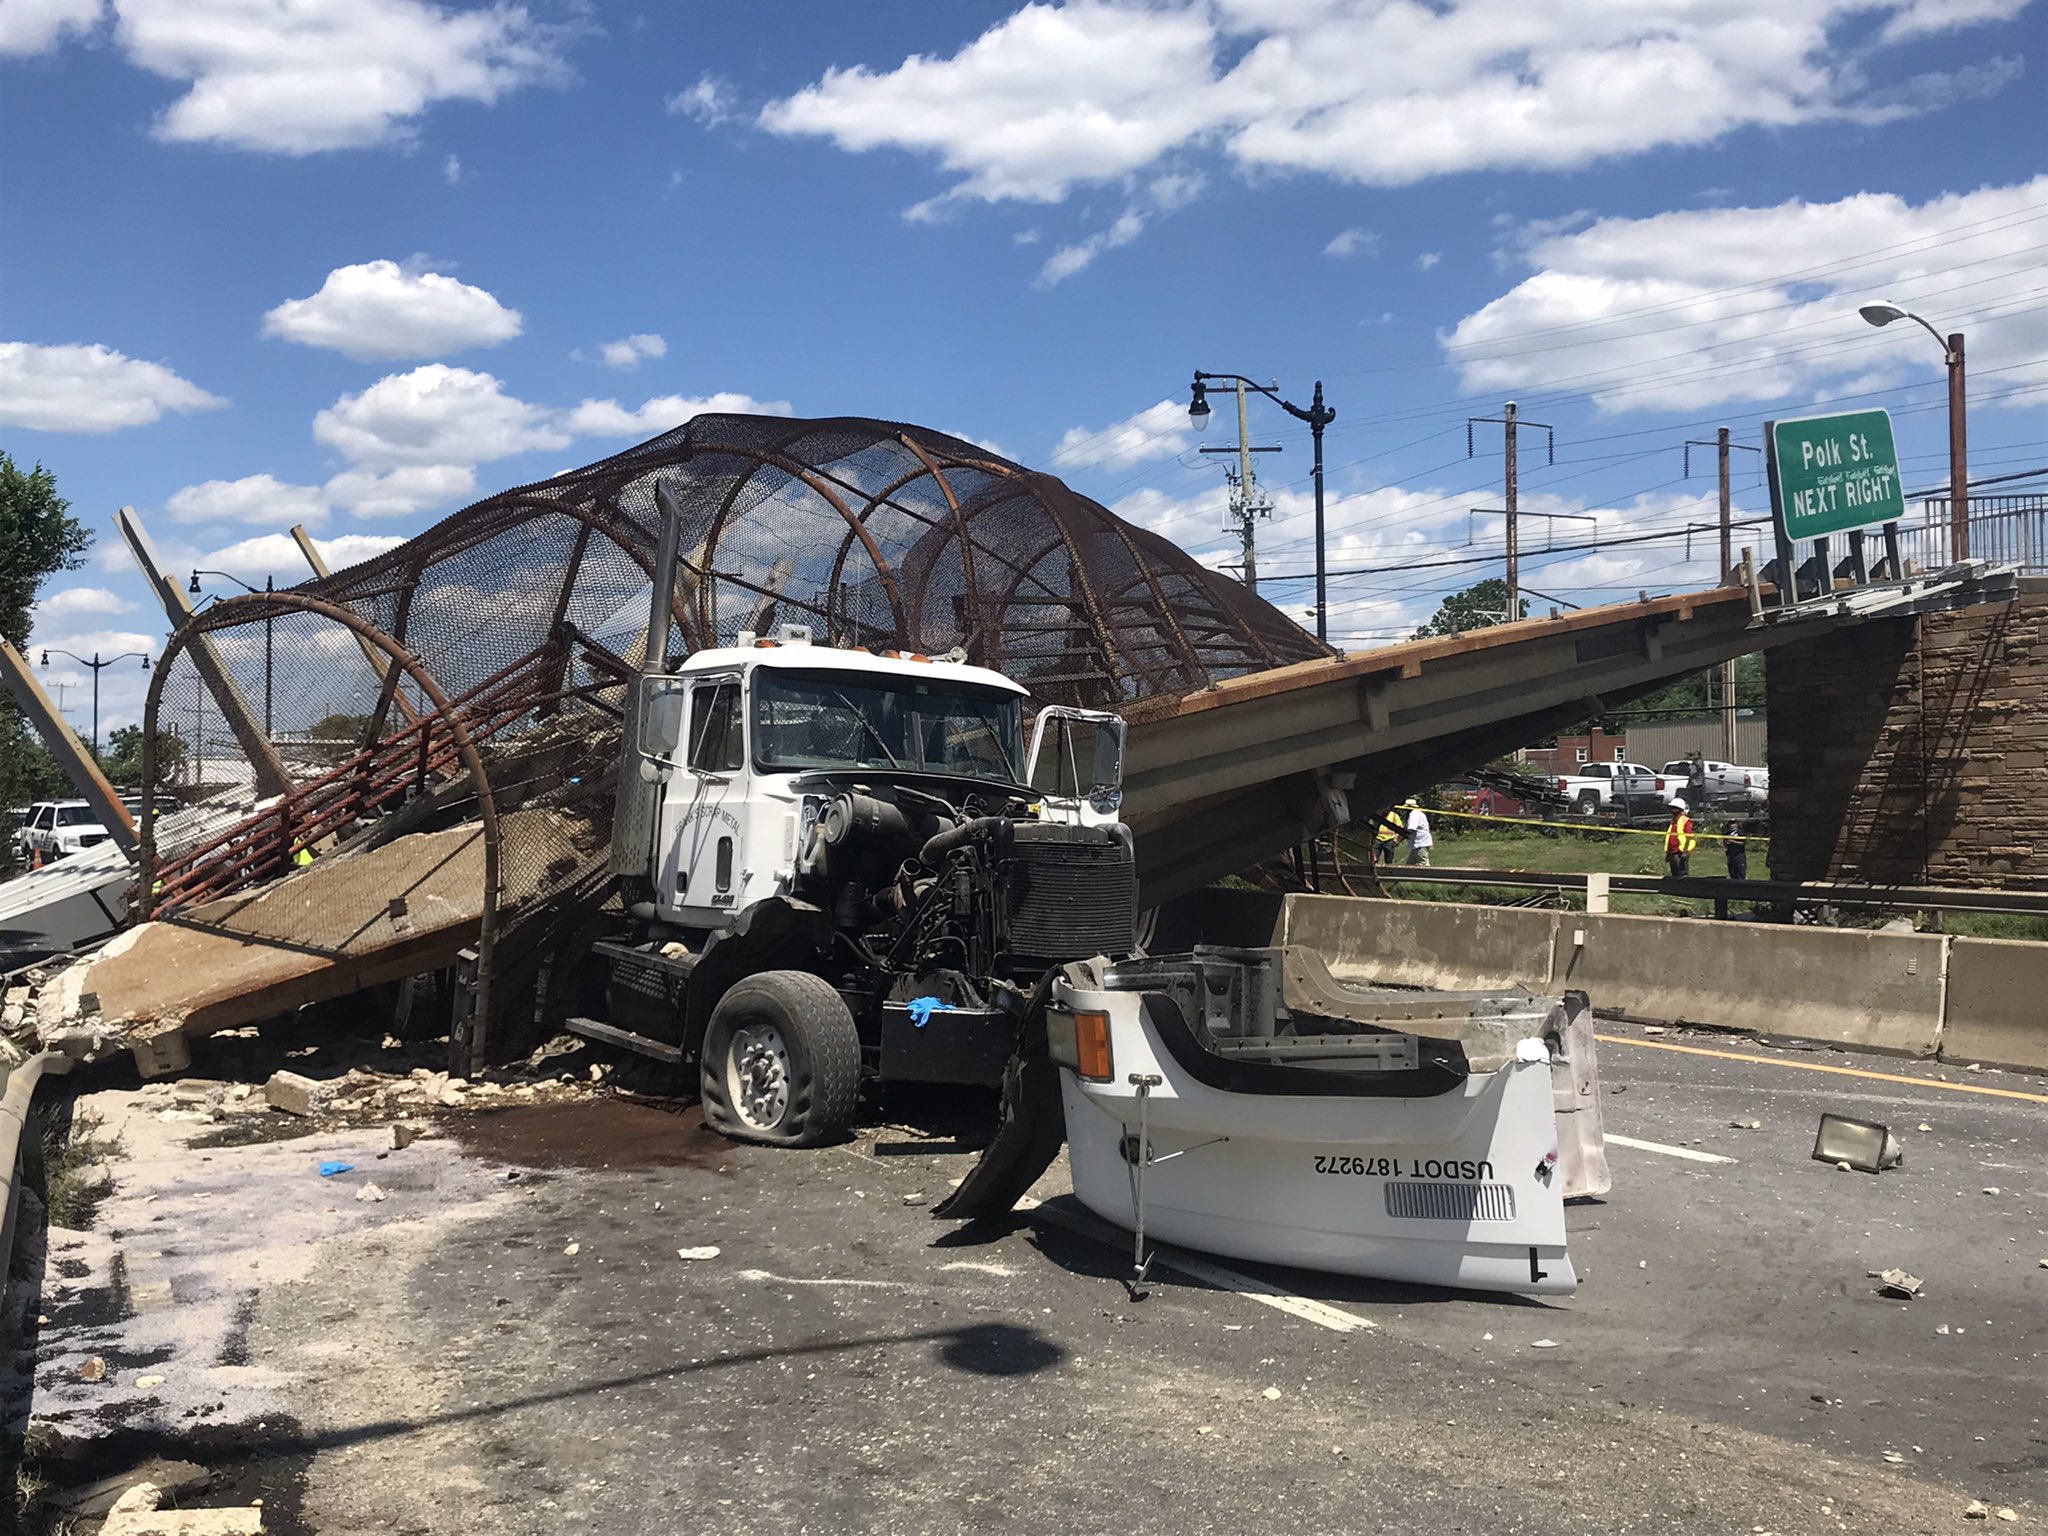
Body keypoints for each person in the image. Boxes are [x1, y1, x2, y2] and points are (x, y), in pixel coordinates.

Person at [1665, 801, 1696, 879]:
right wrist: (1668, 852)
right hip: (1672, 851)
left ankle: (1684, 889)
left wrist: (1685, 851)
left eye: (1674, 808)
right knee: (1674, 873)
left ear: (1679, 809)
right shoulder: (1674, 821)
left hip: (1680, 851)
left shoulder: (1685, 820)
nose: (1671, 810)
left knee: (1682, 873)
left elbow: (1689, 836)